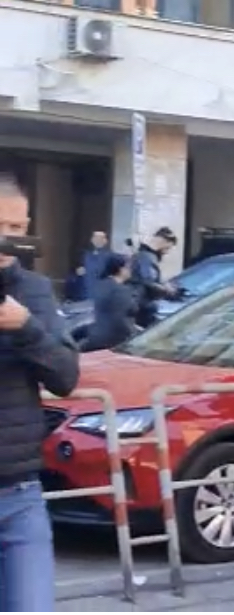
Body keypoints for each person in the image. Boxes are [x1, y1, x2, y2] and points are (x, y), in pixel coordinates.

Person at [0, 174, 80, 611]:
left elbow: (65, 377)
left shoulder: (34, 290)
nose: (7, 239)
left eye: (16, 227)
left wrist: (27, 328)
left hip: (19, 494)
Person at [82, 253, 137, 352]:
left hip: (96, 337)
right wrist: (133, 336)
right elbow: (120, 319)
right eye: (128, 267)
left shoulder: (101, 285)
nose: (131, 270)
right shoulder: (120, 290)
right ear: (121, 269)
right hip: (114, 341)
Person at [128, 226, 178, 329]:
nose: (167, 252)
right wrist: (167, 290)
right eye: (167, 248)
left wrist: (163, 284)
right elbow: (148, 282)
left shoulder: (144, 256)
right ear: (162, 241)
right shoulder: (147, 258)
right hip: (141, 307)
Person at [81, 231, 111, 298]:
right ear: (92, 240)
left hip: (102, 290)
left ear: (105, 240)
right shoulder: (87, 254)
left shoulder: (109, 255)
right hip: (87, 289)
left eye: (100, 238)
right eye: (95, 237)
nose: (97, 240)